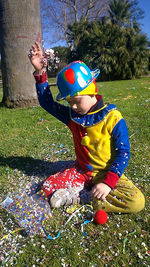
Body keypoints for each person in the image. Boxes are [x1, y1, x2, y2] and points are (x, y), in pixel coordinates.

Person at [28, 42, 145, 213]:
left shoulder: (113, 118)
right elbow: (47, 103)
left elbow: (123, 153)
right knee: (46, 186)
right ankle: (85, 194)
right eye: (69, 103)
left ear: (92, 92)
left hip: (108, 173)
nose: (73, 107)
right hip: (82, 171)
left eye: (76, 101)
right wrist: (40, 72)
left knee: (137, 203)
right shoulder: (73, 117)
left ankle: (82, 196)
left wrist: (107, 183)